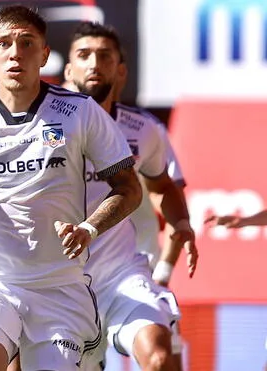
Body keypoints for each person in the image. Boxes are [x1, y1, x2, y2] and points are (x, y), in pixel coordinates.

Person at [0, 6, 143, 371]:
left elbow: (129, 188)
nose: (15, 53)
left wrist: (89, 228)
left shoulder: (80, 111)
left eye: (27, 43)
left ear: (44, 54)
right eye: (5, 44)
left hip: (57, 284)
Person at [64, 21, 198, 370]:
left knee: (159, 355)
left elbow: (164, 188)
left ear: (120, 70)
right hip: (57, 282)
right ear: (67, 69)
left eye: (104, 56)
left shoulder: (144, 129)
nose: (94, 63)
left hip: (122, 273)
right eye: (84, 55)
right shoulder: (42, 125)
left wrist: (181, 223)